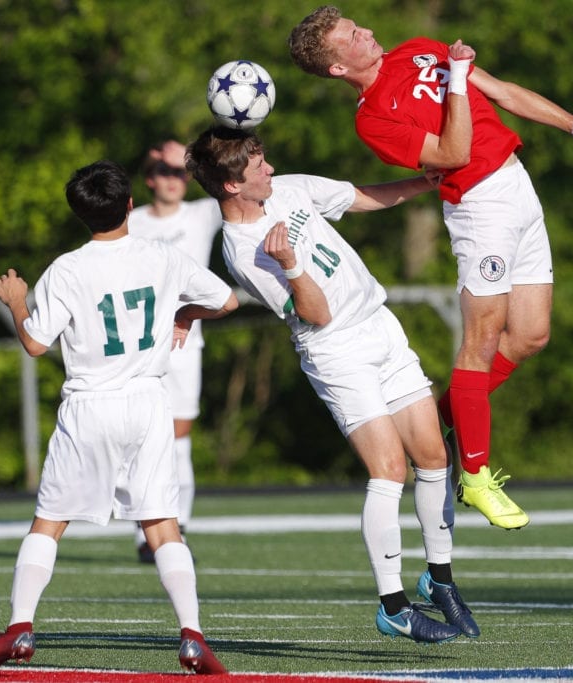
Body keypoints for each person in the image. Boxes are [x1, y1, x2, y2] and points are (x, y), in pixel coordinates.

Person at [289, 6, 573, 530]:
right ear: (336, 67)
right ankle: (475, 475)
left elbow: (507, 92)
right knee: (482, 338)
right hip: (479, 208)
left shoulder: (419, 47)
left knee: (532, 335)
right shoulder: (372, 119)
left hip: (518, 189)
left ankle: (442, 421)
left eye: (359, 25)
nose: (368, 32)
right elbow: (454, 151)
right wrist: (460, 80)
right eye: (353, 36)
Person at [187, 125, 478, 644]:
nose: (269, 170)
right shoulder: (241, 247)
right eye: (258, 167)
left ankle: (440, 578)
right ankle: (393, 606)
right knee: (388, 469)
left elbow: (359, 196)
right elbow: (315, 313)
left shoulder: (288, 188)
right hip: (336, 351)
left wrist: (425, 182)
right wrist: (291, 265)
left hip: (380, 325)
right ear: (232, 186)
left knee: (433, 456)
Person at [0, 160, 239, 675]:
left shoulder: (68, 268)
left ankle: (20, 627)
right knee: (162, 526)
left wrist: (18, 303)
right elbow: (226, 301)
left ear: (79, 215)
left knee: (48, 522)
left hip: (89, 405)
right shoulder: (162, 255)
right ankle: (193, 635)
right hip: (149, 403)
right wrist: (185, 314)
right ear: (130, 204)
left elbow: (36, 343)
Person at [128, 139, 223, 563]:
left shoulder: (201, 214)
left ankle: (176, 528)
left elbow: (235, 182)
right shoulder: (132, 221)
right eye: (165, 173)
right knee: (139, 436)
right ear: (149, 179)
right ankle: (144, 530)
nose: (174, 181)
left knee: (178, 438)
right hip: (136, 343)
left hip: (185, 343)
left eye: (180, 173)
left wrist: (189, 156)